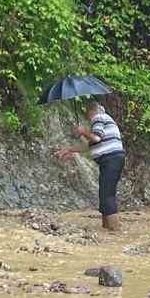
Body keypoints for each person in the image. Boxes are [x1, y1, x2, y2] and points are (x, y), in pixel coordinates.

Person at [56, 97, 125, 231]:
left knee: (107, 194)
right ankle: (107, 228)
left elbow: (96, 137)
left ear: (92, 111)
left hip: (111, 159)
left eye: (87, 113)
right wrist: (69, 149)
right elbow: (90, 145)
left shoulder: (98, 118)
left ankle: (115, 230)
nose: (87, 117)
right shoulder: (105, 120)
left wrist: (82, 131)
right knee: (105, 193)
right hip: (113, 160)